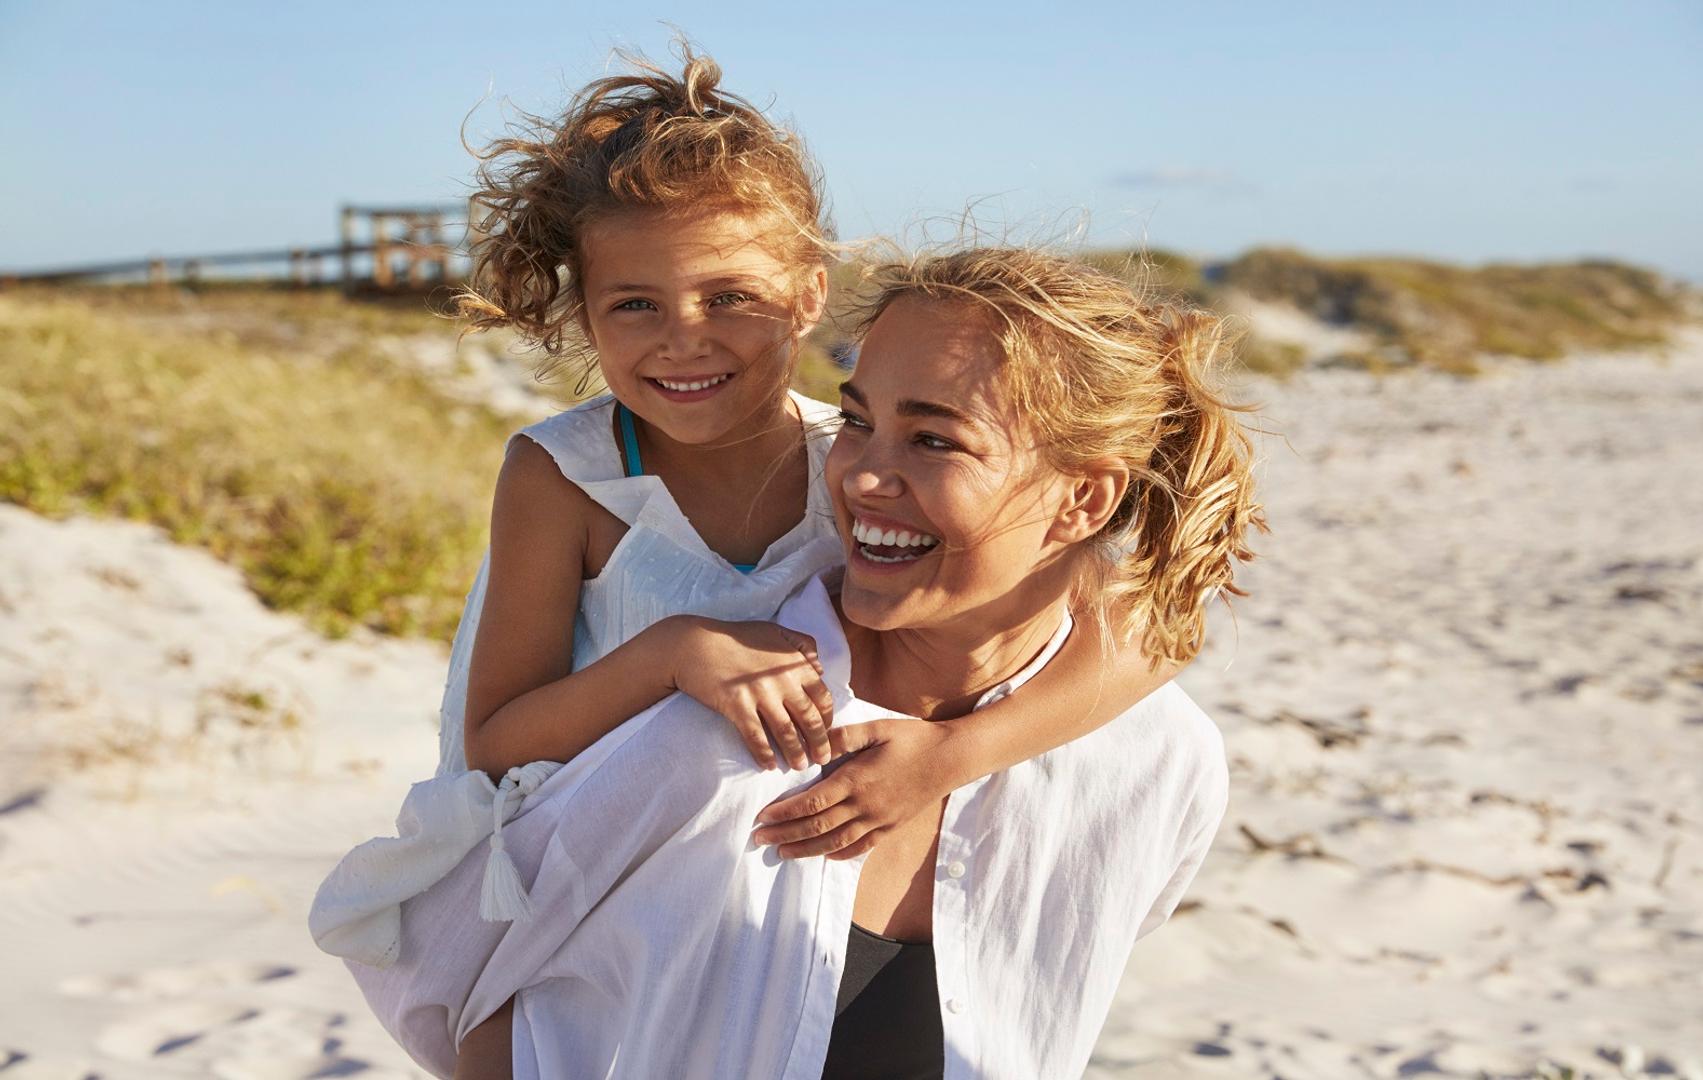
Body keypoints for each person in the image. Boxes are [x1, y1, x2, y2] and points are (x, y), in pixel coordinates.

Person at [308, 49, 1183, 1075]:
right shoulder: (566, 476)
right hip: (580, 889)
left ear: (811, 294)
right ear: (583, 309)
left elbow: (1152, 630)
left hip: (767, 880)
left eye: (730, 297)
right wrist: (673, 653)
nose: (685, 339)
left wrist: (955, 759)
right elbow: (495, 743)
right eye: (634, 304)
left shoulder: (856, 464)